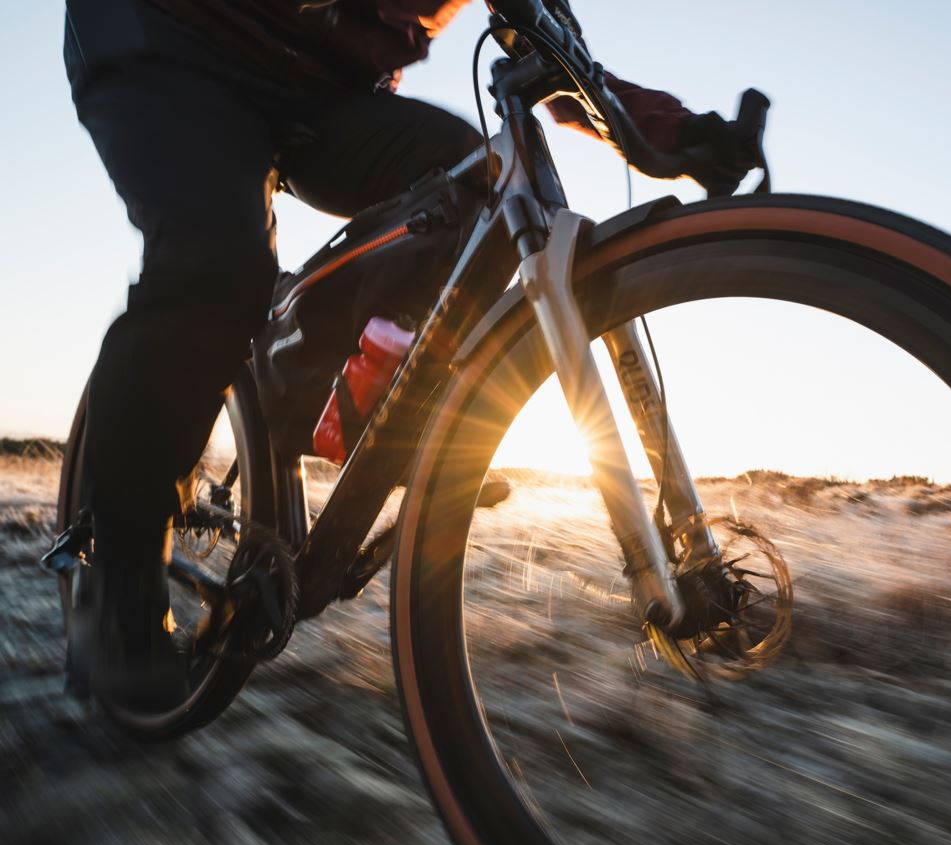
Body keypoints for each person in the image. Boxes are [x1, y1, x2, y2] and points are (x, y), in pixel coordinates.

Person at [62, 0, 754, 709]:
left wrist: (665, 132)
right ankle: (114, 579)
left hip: (319, 92)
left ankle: (326, 395)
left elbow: (548, 43)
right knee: (215, 265)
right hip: (167, 41)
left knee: (471, 179)